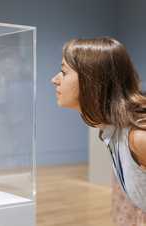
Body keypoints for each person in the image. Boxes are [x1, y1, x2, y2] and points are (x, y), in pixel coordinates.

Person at [51, 37, 146, 225]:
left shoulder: (138, 137)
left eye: (63, 72)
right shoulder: (113, 131)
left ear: (92, 80)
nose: (54, 79)